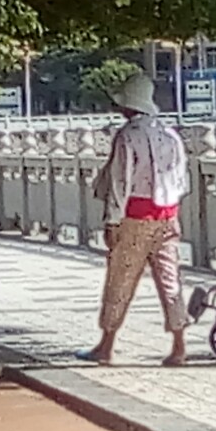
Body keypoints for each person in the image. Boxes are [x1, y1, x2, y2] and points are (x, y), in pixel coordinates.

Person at [77, 73, 189, 366]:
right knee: (170, 279)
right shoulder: (171, 135)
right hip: (167, 215)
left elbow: (119, 182)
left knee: (120, 280)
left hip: (135, 217)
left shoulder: (128, 136)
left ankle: (106, 346)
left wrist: (112, 221)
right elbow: (181, 180)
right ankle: (179, 345)